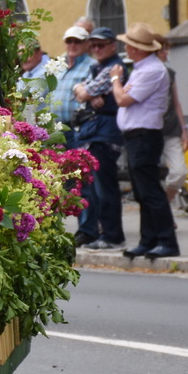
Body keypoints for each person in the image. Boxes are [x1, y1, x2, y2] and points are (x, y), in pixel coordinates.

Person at [109, 23, 178, 259]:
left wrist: (115, 80)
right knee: (142, 191)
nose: (126, 48)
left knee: (150, 191)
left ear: (137, 48)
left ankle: (166, 240)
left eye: (129, 44)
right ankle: (149, 240)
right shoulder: (142, 68)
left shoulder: (151, 70)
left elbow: (123, 99)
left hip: (144, 136)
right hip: (136, 136)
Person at [72, 27, 126, 249]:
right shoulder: (97, 67)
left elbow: (83, 93)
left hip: (106, 133)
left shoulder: (115, 67)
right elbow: (78, 90)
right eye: (93, 45)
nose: (96, 49)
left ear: (113, 45)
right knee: (95, 187)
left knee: (106, 187)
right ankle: (103, 233)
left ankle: (112, 235)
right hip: (94, 132)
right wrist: (86, 92)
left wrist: (87, 93)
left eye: (101, 45)